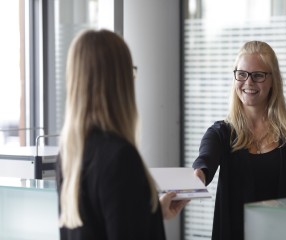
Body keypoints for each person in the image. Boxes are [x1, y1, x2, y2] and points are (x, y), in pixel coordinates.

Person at [56, 29, 188, 240]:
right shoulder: (120, 158)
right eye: (131, 72)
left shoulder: (70, 153)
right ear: (120, 82)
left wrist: (153, 213)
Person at [193, 40, 286, 240]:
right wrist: (197, 177)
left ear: (273, 79)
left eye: (258, 75)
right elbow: (205, 160)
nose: (248, 82)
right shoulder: (221, 133)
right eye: (241, 74)